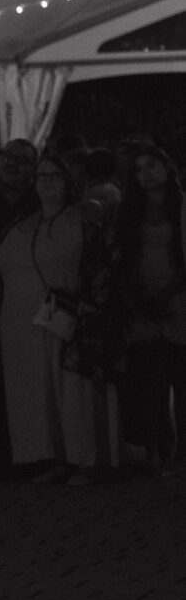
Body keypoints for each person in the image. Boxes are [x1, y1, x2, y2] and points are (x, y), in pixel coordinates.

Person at [0, 150, 97, 481]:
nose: (47, 183)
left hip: (65, 313)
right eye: (42, 177)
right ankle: (48, 455)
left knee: (69, 387)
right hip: (21, 318)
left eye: (55, 176)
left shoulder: (82, 217)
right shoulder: (22, 221)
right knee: (37, 390)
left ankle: (81, 457)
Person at [113, 141, 186, 476]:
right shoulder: (130, 209)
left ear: (166, 167)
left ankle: (180, 453)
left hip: (177, 295)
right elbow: (124, 255)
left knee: (179, 377)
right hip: (141, 296)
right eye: (139, 170)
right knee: (150, 380)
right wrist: (138, 296)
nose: (146, 174)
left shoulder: (180, 205)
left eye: (151, 166)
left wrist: (171, 290)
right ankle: (156, 452)